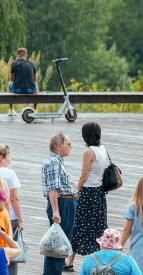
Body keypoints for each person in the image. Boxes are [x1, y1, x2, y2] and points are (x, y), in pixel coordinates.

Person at [65, 122, 109, 271]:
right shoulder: (102, 149)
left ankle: (70, 262)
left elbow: (83, 177)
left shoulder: (88, 152)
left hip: (88, 193)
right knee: (98, 226)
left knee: (78, 225)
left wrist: (76, 191)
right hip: (100, 193)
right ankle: (100, 261)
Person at [42, 132, 78, 275]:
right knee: (58, 246)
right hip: (63, 205)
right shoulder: (54, 162)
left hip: (66, 203)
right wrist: (56, 211)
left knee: (59, 244)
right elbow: (52, 189)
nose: (71, 146)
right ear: (58, 145)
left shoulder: (56, 160)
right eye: (68, 144)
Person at [0, 144, 23, 275]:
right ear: (2, 157)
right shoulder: (9, 174)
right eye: (8, 156)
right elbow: (14, 199)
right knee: (10, 250)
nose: (10, 159)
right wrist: (21, 220)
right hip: (9, 217)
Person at [7, 48, 39, 115]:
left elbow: (11, 79)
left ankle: (10, 110)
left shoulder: (14, 64)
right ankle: (35, 110)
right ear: (26, 56)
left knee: (9, 84)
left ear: (18, 56)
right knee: (36, 85)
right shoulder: (32, 63)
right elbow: (35, 79)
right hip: (30, 90)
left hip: (17, 90)